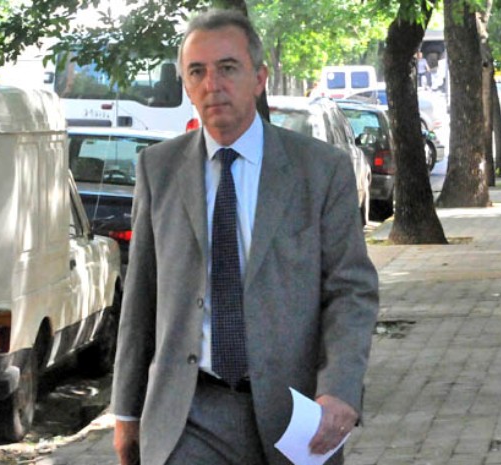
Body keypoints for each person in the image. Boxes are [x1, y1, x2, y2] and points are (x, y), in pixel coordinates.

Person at [111, 8, 379, 465]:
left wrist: (340, 388)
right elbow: (140, 300)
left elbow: (351, 290)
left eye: (228, 68)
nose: (212, 84)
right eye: (197, 71)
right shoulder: (159, 169)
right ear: (186, 85)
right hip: (188, 414)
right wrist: (126, 412)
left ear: (259, 78)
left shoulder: (320, 170)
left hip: (294, 414)